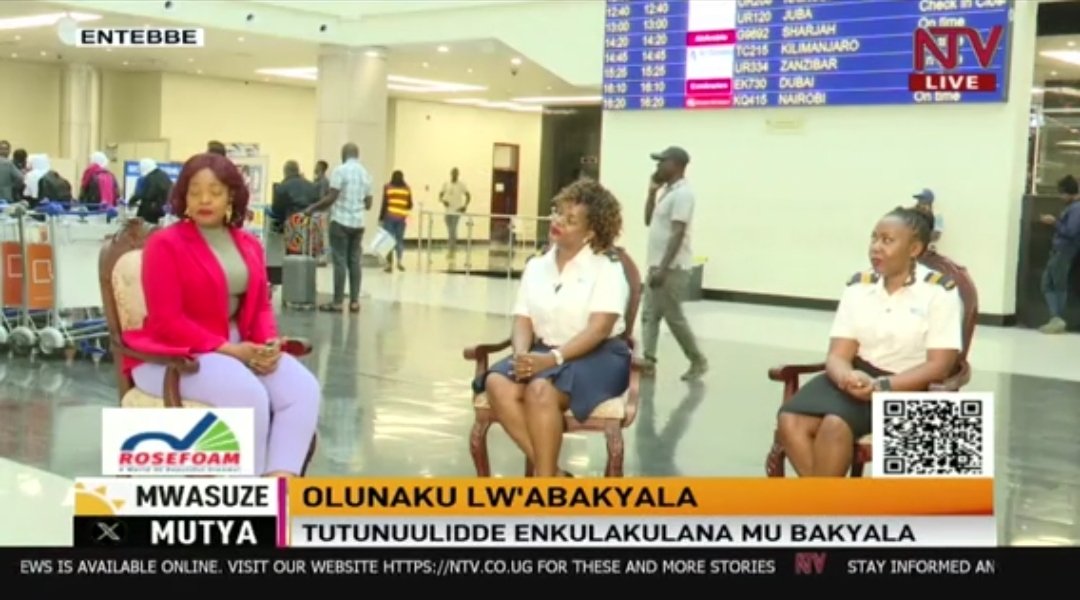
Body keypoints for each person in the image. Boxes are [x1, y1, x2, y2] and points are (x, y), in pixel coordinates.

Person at [121, 152, 322, 477]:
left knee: (303, 389)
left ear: (231, 195)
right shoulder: (164, 244)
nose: (204, 199)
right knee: (248, 394)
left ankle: (279, 488)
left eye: (214, 192)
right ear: (183, 197)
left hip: (237, 345)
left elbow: (259, 306)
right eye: (195, 191)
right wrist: (230, 351)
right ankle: (246, 497)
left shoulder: (248, 243)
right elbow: (166, 321)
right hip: (172, 354)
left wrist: (268, 344)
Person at [777, 206, 964, 477]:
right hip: (856, 376)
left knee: (835, 424)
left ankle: (823, 509)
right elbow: (838, 354)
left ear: (914, 249)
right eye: (874, 238)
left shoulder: (938, 291)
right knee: (790, 419)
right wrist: (847, 377)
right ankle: (832, 508)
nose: (876, 247)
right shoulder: (858, 286)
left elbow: (940, 366)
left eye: (887, 241)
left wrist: (882, 386)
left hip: (907, 384)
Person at [475, 179, 631, 477]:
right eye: (558, 212)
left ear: (591, 232)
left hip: (597, 356)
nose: (558, 222)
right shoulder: (537, 266)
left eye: (570, 220)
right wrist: (522, 355)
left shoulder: (607, 268)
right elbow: (523, 318)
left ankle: (544, 483)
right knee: (496, 382)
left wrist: (553, 359)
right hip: (544, 351)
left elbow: (599, 329)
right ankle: (556, 477)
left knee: (539, 391)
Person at [640, 146, 708, 381]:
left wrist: (663, 267)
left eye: (662, 162)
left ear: (677, 166)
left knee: (673, 316)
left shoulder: (684, 194)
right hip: (657, 265)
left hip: (671, 268)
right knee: (649, 314)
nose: (657, 166)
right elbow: (648, 220)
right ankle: (648, 362)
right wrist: (651, 193)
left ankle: (698, 360)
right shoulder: (667, 191)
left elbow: (677, 233)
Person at [305, 143, 372, 314]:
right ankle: (355, 302)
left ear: (344, 154)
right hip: (358, 224)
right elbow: (369, 204)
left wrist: (312, 208)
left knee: (340, 261)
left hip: (340, 223)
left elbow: (331, 198)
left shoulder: (339, 171)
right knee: (355, 262)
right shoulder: (366, 174)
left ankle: (337, 302)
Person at [1037, 175, 1080, 334]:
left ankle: (1057, 318)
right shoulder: (1073, 208)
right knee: (1050, 283)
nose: (1061, 197)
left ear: (1068, 193)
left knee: (1056, 284)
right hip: (1060, 251)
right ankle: (1055, 318)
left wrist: (1054, 222)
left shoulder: (1076, 209)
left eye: (1062, 194)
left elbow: (1071, 231)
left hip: (1064, 251)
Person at [271, 160, 320, 256]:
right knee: (309, 254)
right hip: (310, 226)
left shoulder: (282, 187)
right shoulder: (311, 186)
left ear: (285, 172)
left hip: (293, 226)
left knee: (293, 255)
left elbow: (276, 209)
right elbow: (318, 204)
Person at [380, 170, 413, 272]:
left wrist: (381, 217)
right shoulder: (407, 188)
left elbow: (384, 203)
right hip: (402, 217)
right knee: (399, 240)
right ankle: (399, 262)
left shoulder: (388, 187)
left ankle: (389, 264)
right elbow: (410, 205)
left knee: (388, 240)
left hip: (389, 216)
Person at [128, 158, 173, 224]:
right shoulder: (164, 175)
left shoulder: (150, 177)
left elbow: (143, 193)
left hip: (149, 211)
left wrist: (131, 201)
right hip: (161, 210)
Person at [439, 167, 470, 259]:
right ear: (451, 174)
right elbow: (440, 194)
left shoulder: (461, 185)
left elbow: (468, 195)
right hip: (448, 210)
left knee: (453, 229)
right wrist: (442, 201)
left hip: (457, 210)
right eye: (453, 173)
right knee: (450, 229)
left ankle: (452, 248)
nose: (454, 175)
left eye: (456, 174)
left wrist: (465, 206)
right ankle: (451, 246)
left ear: (458, 174)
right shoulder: (446, 184)